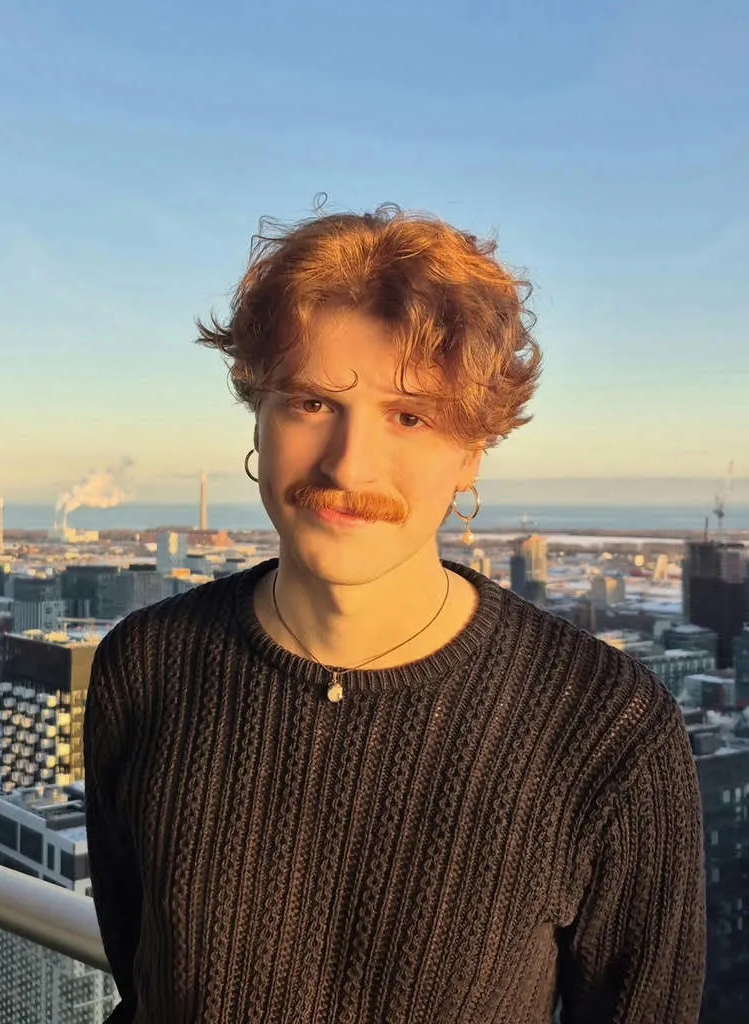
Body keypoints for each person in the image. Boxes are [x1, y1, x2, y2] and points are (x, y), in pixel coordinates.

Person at [84, 204, 706, 1023]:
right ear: (258, 420)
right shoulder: (148, 667)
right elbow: (145, 979)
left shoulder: (606, 733)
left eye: (410, 416)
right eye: (310, 402)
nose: (350, 463)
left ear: (473, 450)